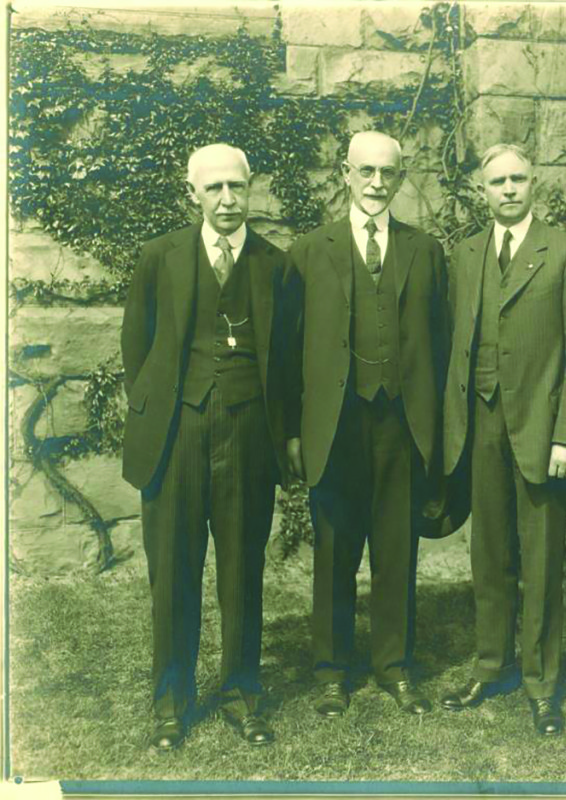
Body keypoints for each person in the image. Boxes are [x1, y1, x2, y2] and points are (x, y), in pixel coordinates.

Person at [121, 143, 299, 750]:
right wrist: (162, 415)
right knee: (173, 570)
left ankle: (242, 695)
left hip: (248, 433)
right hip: (176, 433)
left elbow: (290, 357)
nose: (227, 199)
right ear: (192, 193)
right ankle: (171, 701)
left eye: (237, 187)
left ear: (251, 190)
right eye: (214, 188)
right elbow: (136, 349)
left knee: (243, 570)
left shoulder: (276, 265)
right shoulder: (158, 258)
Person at [286, 131, 450, 718]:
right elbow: (289, 349)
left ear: (401, 178)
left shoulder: (425, 250)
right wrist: (293, 434)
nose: (377, 183)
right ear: (345, 173)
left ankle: (394, 665)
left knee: (396, 547)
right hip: (336, 422)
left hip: (401, 423)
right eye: (366, 171)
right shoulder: (309, 251)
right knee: (334, 549)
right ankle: (331, 669)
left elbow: (443, 342)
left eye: (389, 172)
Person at [440, 144, 566, 736]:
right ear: (482, 191)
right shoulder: (466, 254)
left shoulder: (565, 252)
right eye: (496, 182)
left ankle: (542, 682)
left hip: (541, 429)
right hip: (481, 425)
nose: (508, 189)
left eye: (517, 179)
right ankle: (492, 664)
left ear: (534, 184)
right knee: (489, 556)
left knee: (540, 559)